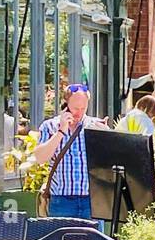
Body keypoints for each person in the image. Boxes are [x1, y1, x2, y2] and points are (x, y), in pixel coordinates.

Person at [32, 83, 105, 217]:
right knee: (61, 237)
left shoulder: (95, 126)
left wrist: (107, 136)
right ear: (66, 104)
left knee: (93, 238)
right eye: (76, 108)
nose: (79, 112)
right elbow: (40, 158)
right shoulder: (50, 126)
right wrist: (61, 131)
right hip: (61, 200)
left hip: (90, 200)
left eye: (83, 108)